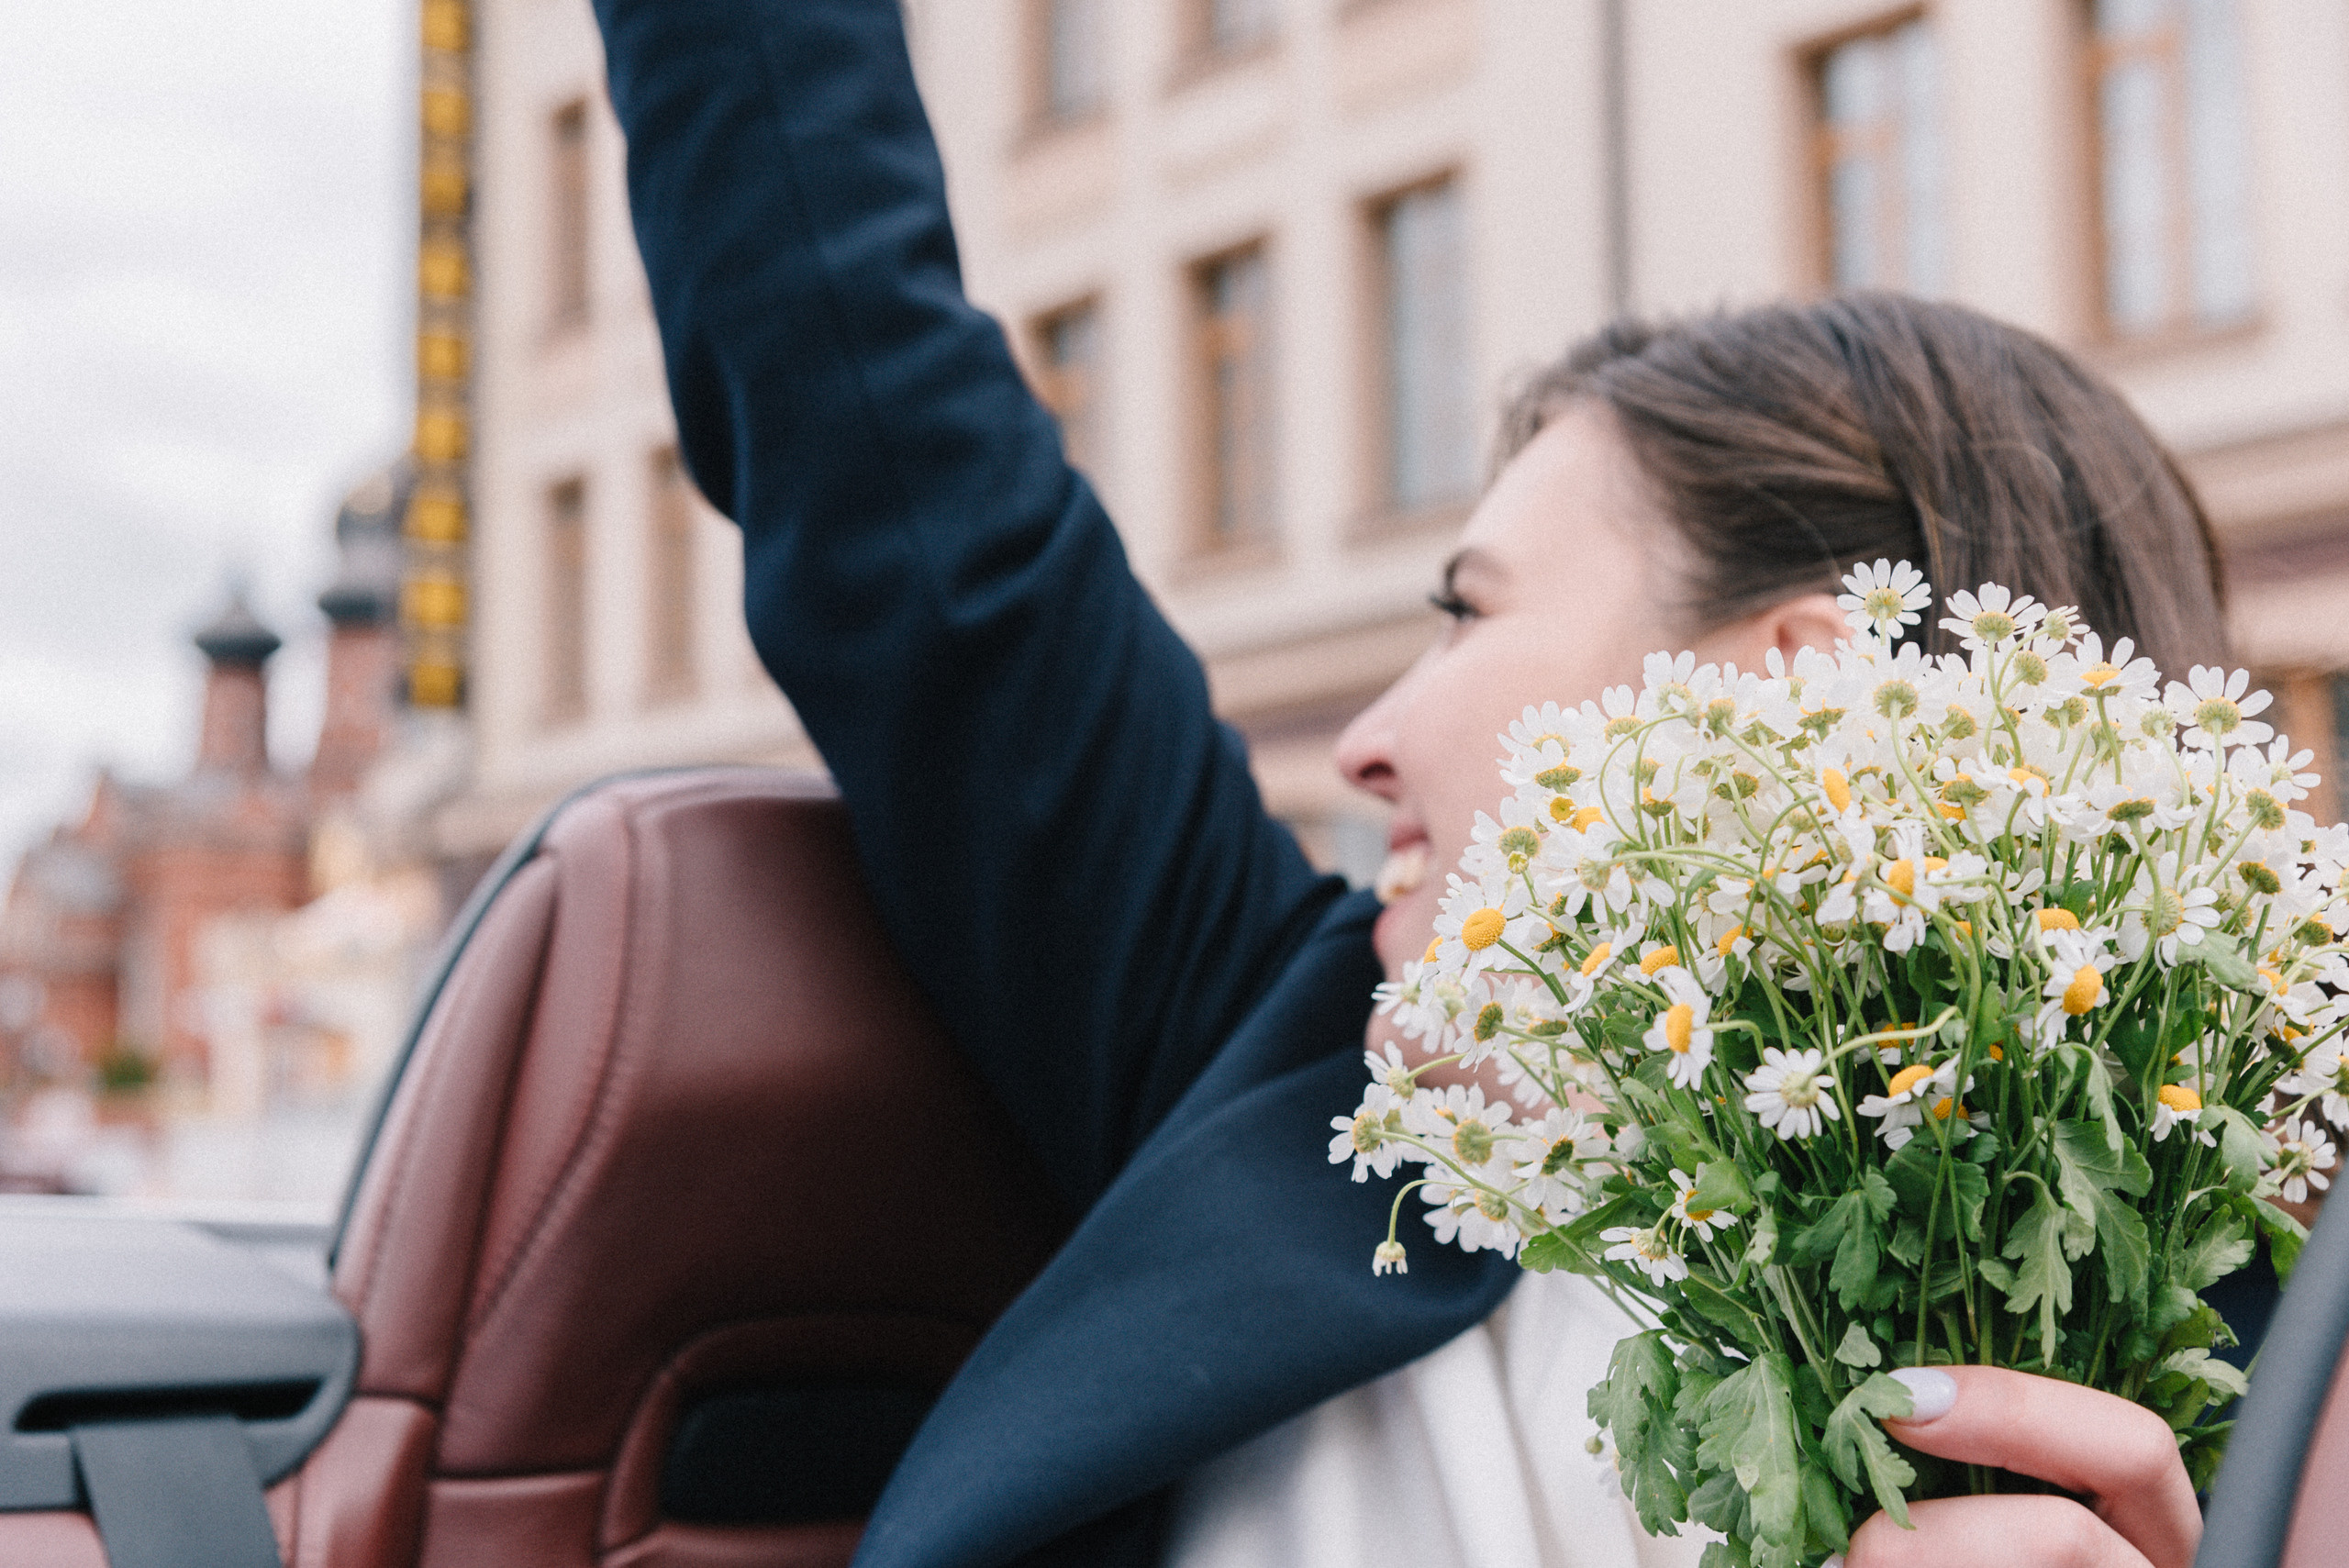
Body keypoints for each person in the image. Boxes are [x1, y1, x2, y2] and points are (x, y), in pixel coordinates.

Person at [585, 3, 2225, 1564]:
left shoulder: (2199, 1356)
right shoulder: (1282, 1061)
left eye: (1468, 611)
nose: (1369, 736)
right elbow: (855, 381)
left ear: (1794, 679)